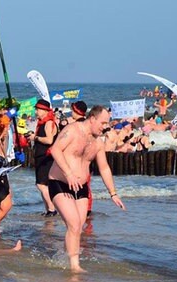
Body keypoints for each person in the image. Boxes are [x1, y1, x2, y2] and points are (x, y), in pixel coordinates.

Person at [48, 105, 126, 273]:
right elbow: (55, 149)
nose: (106, 126)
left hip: (81, 188)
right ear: (92, 119)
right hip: (60, 183)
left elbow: (104, 168)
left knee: (77, 227)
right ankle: (74, 267)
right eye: (103, 122)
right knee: (74, 224)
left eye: (108, 123)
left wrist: (113, 193)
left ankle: (64, 258)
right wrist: (68, 173)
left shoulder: (98, 142)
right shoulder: (72, 130)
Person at [28, 99, 58, 217]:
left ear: (45, 111)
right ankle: (48, 209)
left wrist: (35, 138)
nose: (36, 111)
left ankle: (52, 209)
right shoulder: (43, 122)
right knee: (43, 184)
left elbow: (49, 140)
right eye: (36, 109)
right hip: (42, 156)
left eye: (38, 109)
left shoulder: (48, 123)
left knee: (41, 185)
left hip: (46, 156)